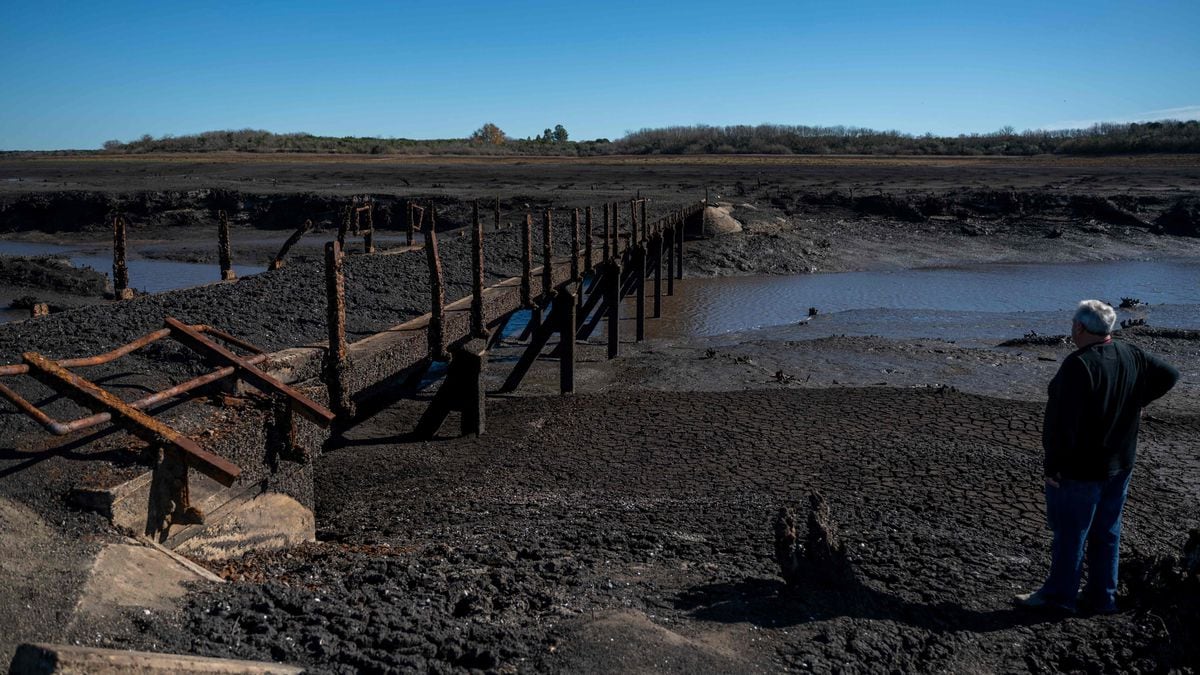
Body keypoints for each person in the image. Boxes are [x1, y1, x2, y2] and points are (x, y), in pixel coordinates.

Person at [1016, 299, 1179, 613]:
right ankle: (1103, 597)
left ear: (1079, 327)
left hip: (1082, 469)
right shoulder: (1130, 353)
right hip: (1120, 463)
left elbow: (1060, 424)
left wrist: (1053, 466)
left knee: (1071, 534)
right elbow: (1169, 375)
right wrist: (1138, 401)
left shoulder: (1079, 364)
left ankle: (1060, 597)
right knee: (1107, 532)